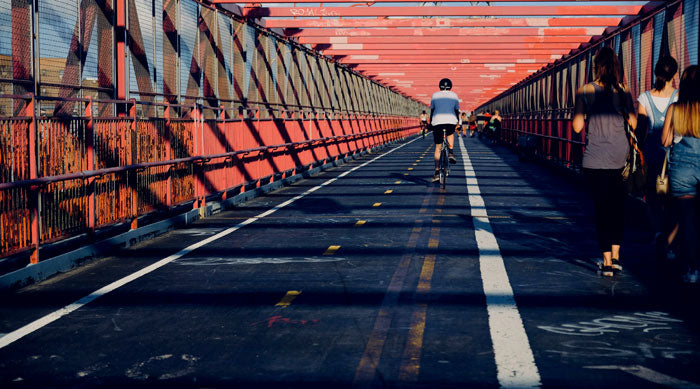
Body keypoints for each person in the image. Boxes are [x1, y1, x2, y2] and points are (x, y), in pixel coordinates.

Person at [573, 46, 637, 277]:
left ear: (596, 66)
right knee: (618, 208)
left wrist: (590, 113)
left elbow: (577, 127)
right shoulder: (624, 90)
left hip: (595, 159)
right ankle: (618, 256)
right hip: (620, 158)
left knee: (601, 210)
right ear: (616, 67)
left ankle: (607, 261)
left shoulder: (585, 90)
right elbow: (634, 124)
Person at [637, 56, 679, 261]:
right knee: (670, 199)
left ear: (656, 74)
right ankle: (670, 241)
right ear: (675, 74)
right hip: (672, 157)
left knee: (652, 199)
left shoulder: (645, 98)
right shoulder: (679, 98)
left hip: (651, 154)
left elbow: (641, 129)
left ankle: (657, 233)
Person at [661, 65, 700, 283]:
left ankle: (693, 269)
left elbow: (665, 140)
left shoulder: (675, 109)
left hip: (682, 170)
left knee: (688, 219)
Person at [430, 78, 460, 182]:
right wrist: (457, 123)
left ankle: (437, 172)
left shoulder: (435, 95)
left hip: (437, 121)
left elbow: (432, 109)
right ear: (450, 86)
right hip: (450, 120)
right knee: (450, 133)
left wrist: (431, 123)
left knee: (438, 148)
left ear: (440, 86)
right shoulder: (454, 95)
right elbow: (456, 110)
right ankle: (451, 152)